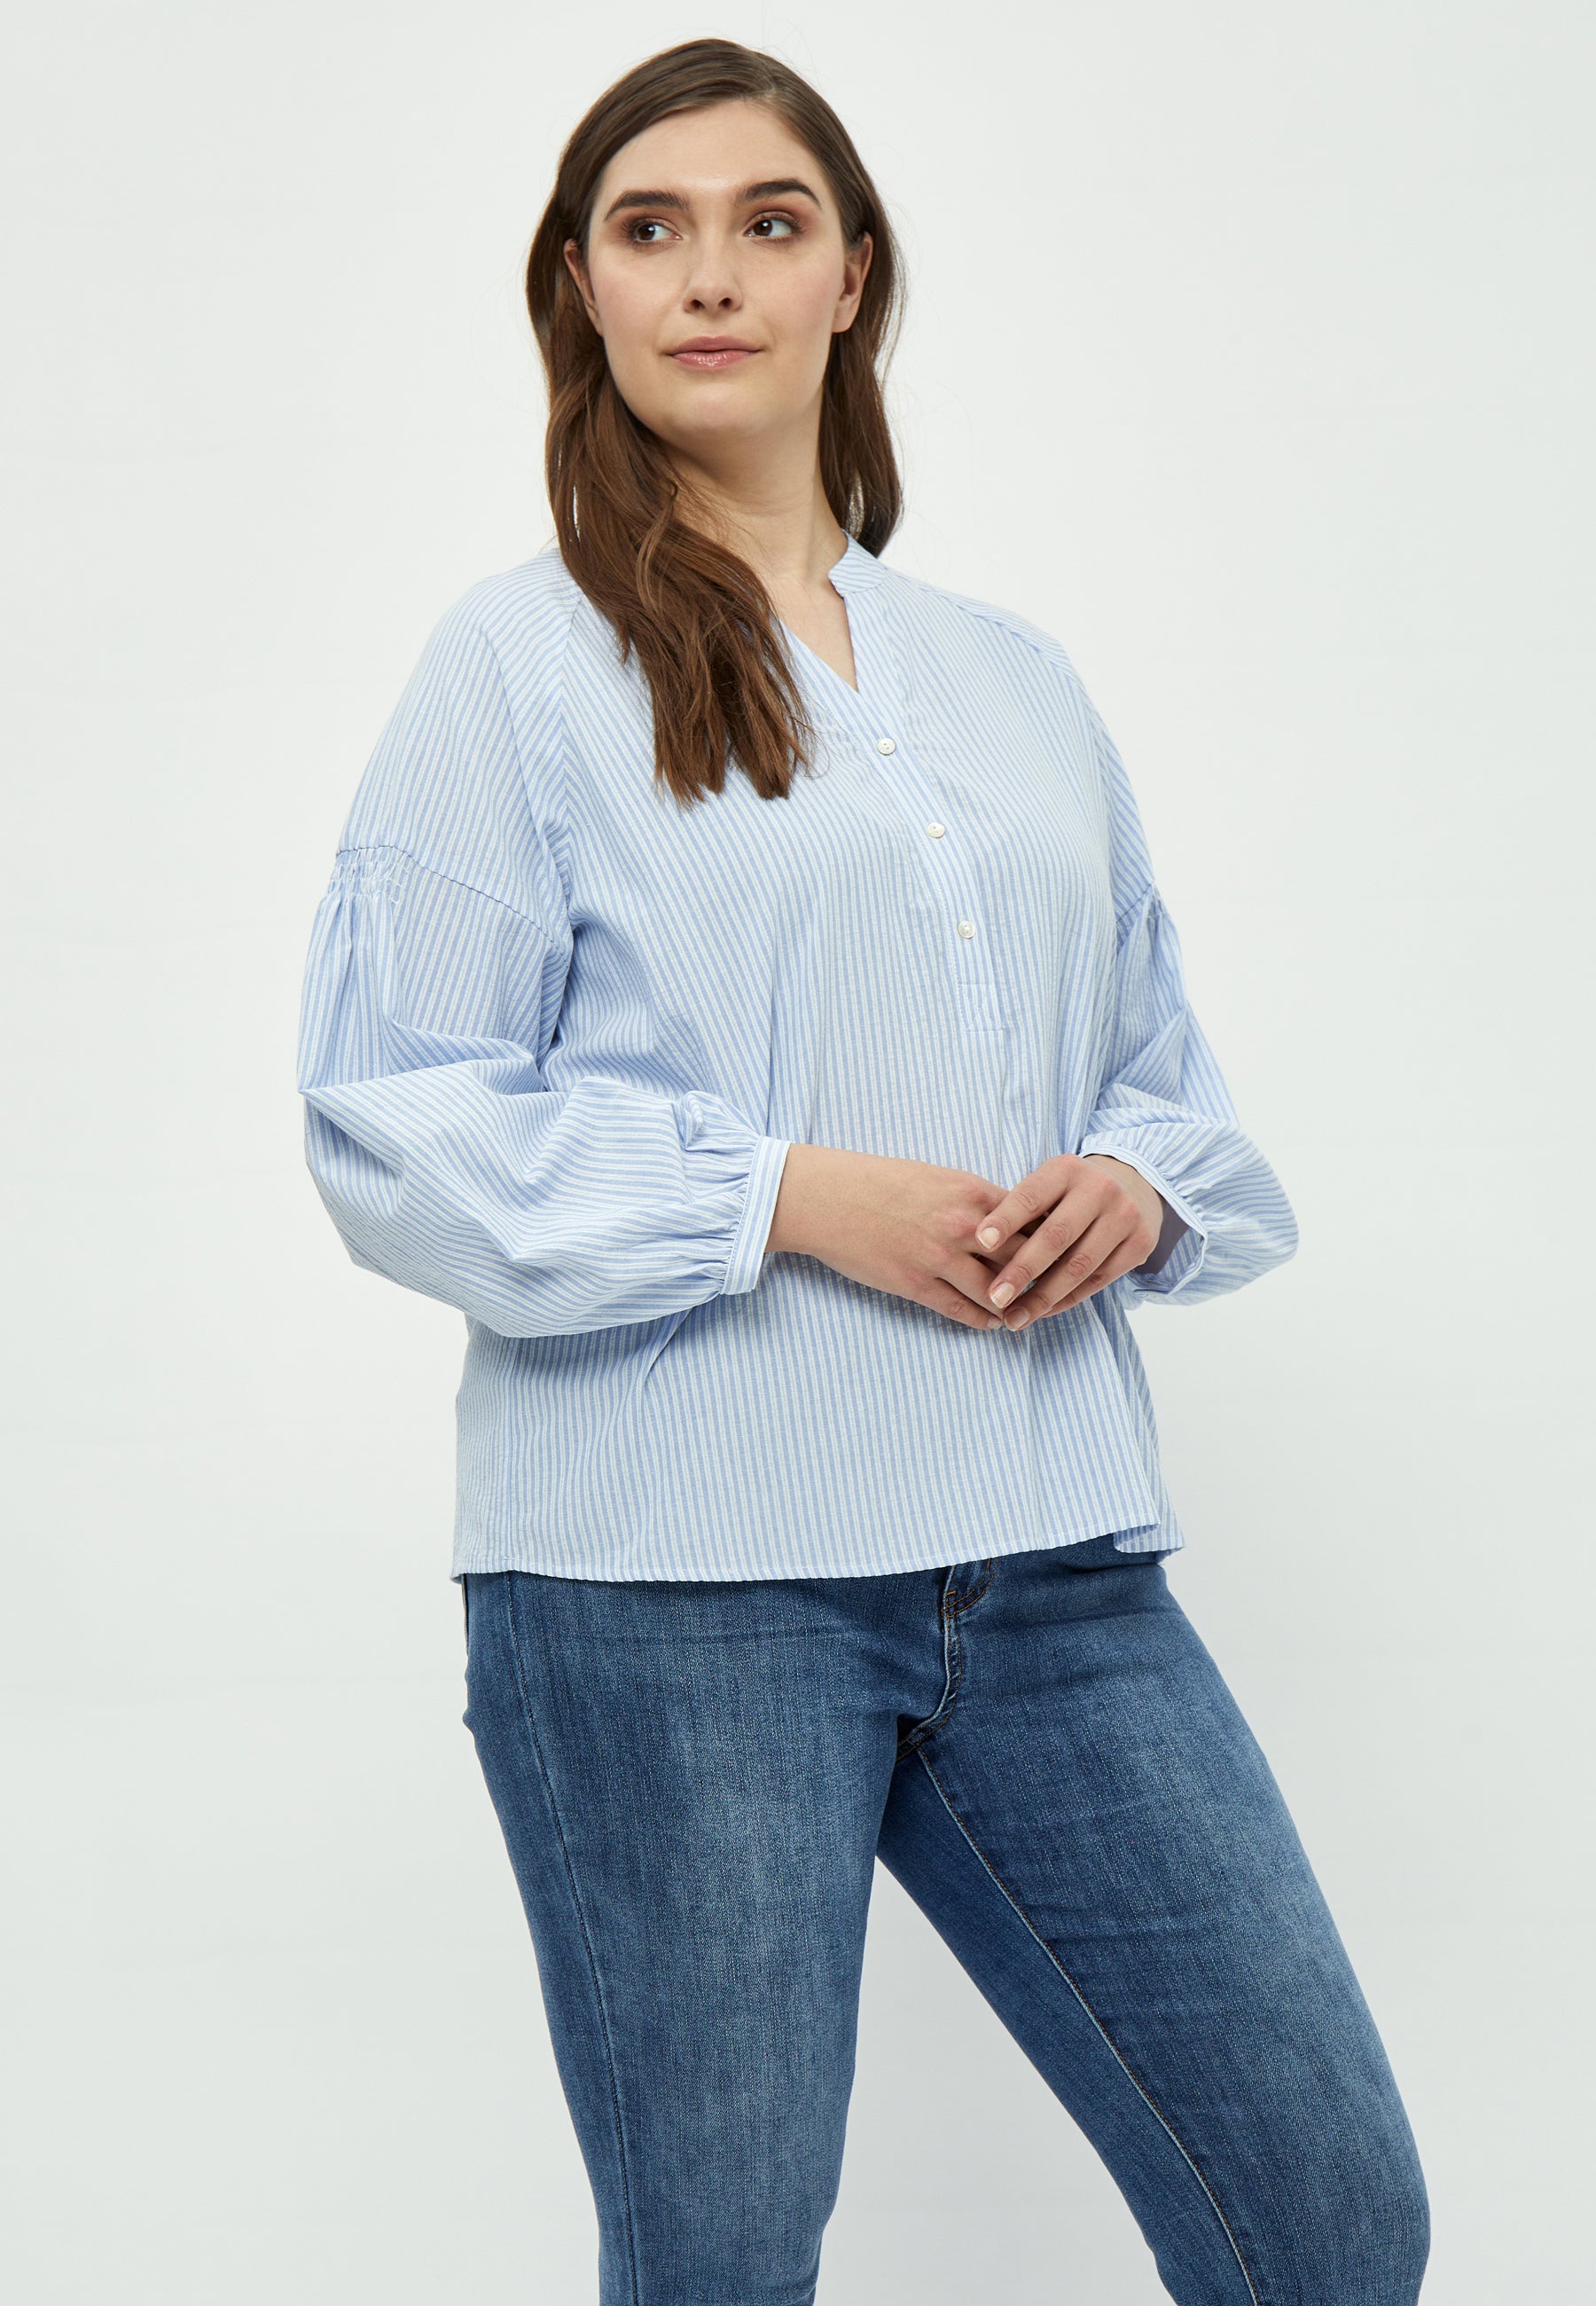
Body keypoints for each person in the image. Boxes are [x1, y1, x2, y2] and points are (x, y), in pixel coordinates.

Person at [295, 36, 1430, 2306]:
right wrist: (795, 1198)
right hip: (672, 1595)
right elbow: (392, 1119)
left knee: (1327, 2221)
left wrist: (1135, 1186)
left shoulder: (1011, 681)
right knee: (722, 2266)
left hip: (1052, 1564)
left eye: (769, 220)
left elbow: (1159, 1067)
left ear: (853, 277)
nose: (711, 273)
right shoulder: (515, 668)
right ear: (585, 292)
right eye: (651, 229)